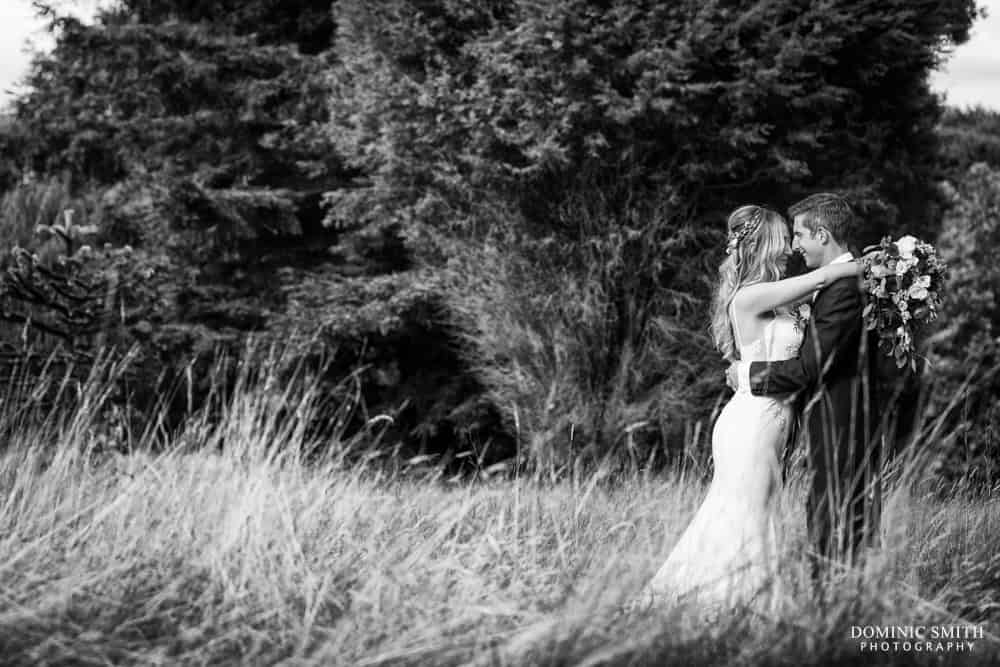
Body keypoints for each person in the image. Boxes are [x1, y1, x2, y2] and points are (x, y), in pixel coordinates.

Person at [630, 202, 860, 616]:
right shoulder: (749, 296)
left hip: (769, 418)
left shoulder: (779, 295)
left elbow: (818, 295)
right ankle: (741, 606)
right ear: (764, 245)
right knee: (745, 511)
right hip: (751, 420)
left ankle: (734, 603)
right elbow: (826, 276)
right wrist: (869, 268)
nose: (790, 247)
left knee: (752, 509)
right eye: (783, 238)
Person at [733, 192, 886, 593]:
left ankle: (834, 616)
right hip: (803, 424)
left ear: (821, 234)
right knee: (816, 519)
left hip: (841, 426)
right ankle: (830, 609)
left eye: (799, 234)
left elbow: (808, 368)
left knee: (834, 522)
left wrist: (747, 374)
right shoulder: (833, 281)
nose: (795, 246)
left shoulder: (844, 285)